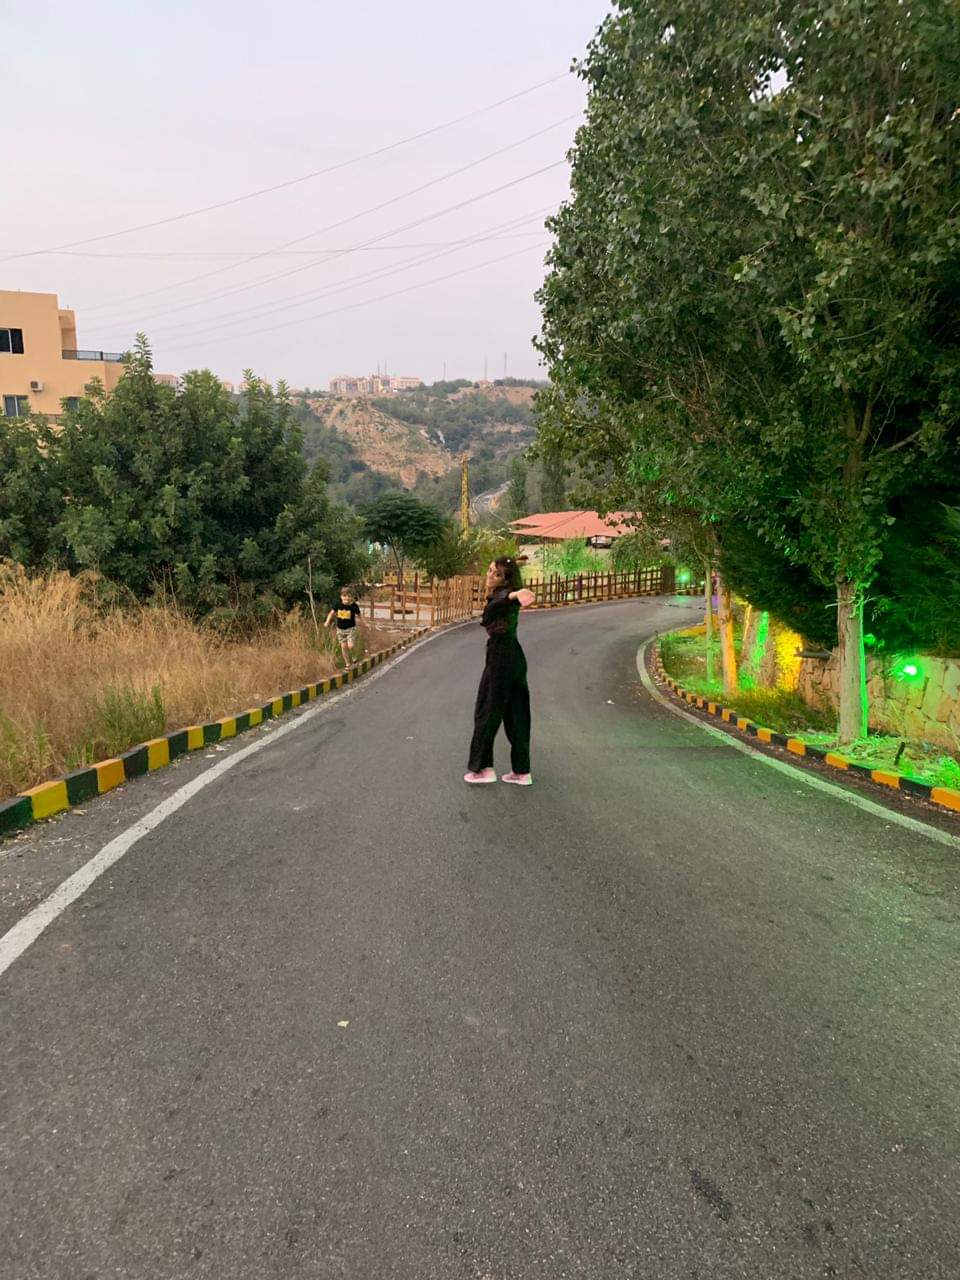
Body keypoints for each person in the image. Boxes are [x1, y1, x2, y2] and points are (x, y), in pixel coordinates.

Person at [465, 556, 536, 786]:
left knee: (486, 711)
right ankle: (522, 772)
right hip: (515, 658)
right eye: (490, 570)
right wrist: (514, 592)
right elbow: (504, 599)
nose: (489, 575)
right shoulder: (503, 596)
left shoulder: (504, 598)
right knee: (517, 714)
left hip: (500, 659)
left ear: (506, 581)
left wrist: (514, 595)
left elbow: (500, 602)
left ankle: (483, 769)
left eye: (496, 574)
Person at [325, 587, 364, 666]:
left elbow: (359, 615)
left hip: (351, 629)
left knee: (350, 645)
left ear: (351, 597)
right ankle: (347, 663)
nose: (347, 598)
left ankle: (354, 657)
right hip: (340, 630)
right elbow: (331, 613)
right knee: (343, 647)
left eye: (349, 596)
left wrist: (363, 623)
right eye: (344, 596)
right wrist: (327, 621)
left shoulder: (354, 606)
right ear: (341, 596)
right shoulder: (338, 604)